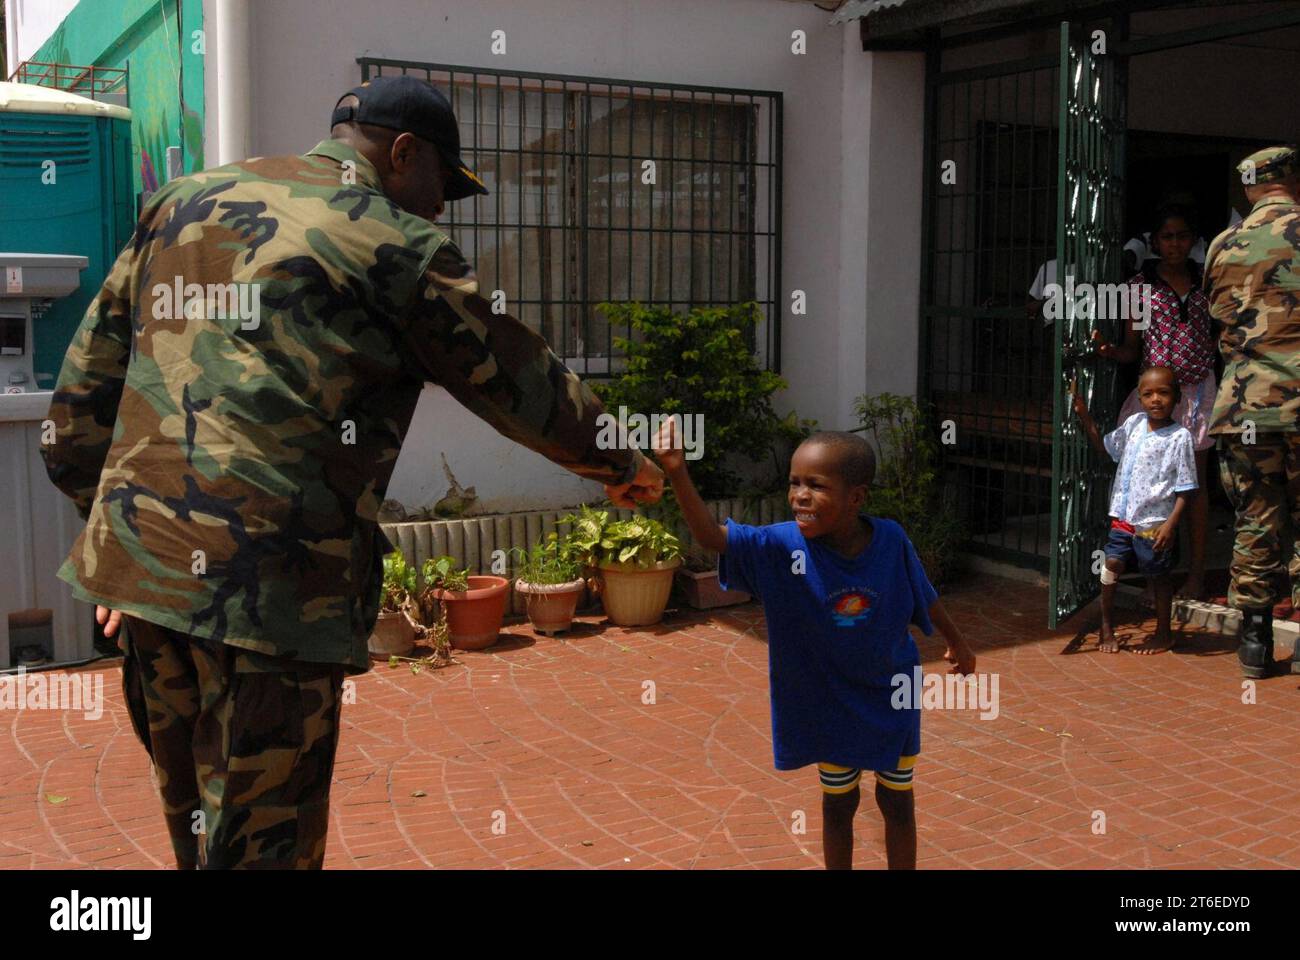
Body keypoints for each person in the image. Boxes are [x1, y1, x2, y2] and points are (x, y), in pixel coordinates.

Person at [40, 75, 664, 869]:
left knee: (196, 830)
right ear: (403, 152)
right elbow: (518, 382)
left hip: (146, 578)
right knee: (265, 849)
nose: (442, 206)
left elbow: (76, 410)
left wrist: (121, 547)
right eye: (444, 181)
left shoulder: (183, 202)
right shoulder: (397, 243)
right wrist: (624, 462)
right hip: (272, 594)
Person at [651, 421, 975, 869]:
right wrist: (677, 473)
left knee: (897, 801)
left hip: (891, 695)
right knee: (838, 805)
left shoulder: (891, 539)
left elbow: (921, 590)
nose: (800, 495)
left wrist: (957, 641)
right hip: (829, 704)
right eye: (794, 483)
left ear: (856, 497)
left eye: (816, 485)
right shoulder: (782, 546)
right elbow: (711, 537)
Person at [1203, 144, 1300, 678]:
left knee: (1255, 520)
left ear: (1250, 188)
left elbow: (1221, 314)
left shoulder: (1224, 243)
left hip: (1246, 407)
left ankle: (1256, 646)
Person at [1092, 205, 1217, 600]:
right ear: (1155, 242)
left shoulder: (1205, 281)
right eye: (1167, 236)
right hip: (1158, 397)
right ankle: (1154, 577)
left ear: (1193, 241)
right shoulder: (1139, 286)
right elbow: (1133, 347)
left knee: (1192, 486)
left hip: (1198, 392)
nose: (1175, 243)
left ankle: (1195, 575)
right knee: (1151, 485)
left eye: (1182, 236)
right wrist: (1110, 351)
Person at [1072, 367, 1198, 654]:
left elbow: (1187, 488)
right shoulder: (1134, 424)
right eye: (1148, 394)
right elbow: (1105, 448)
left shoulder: (1180, 438)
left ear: (1177, 398)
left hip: (1154, 523)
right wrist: (1083, 414)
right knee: (1112, 564)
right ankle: (1106, 626)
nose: (1156, 399)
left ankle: (1164, 632)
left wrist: (1171, 525)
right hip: (1123, 517)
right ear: (1139, 399)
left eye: (1164, 393)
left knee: (1157, 576)